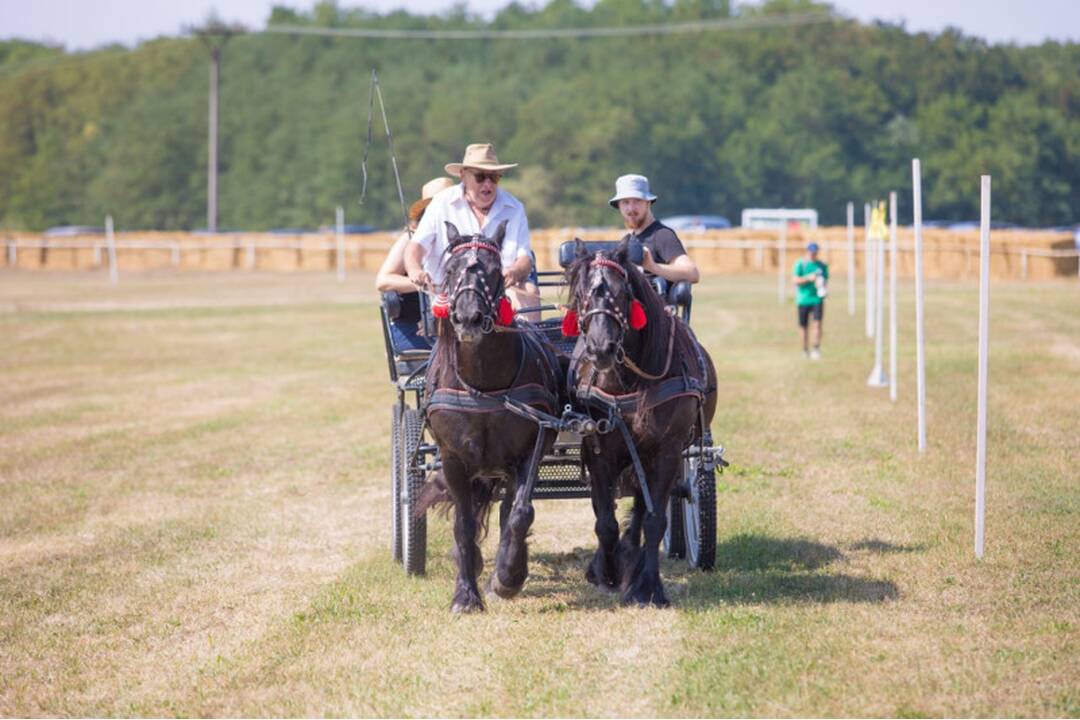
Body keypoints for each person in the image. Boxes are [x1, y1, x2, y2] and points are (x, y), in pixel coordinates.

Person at [404, 143, 540, 320]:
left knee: (529, 291)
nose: (488, 183)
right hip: (451, 293)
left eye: (494, 177)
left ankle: (531, 346)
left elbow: (524, 258)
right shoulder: (440, 203)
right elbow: (416, 247)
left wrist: (514, 271)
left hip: (500, 294)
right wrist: (415, 270)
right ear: (463, 176)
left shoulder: (515, 208)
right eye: (481, 177)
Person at [376, 176, 455, 350]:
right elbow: (383, 280)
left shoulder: (463, 235)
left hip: (455, 325)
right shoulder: (411, 237)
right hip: (414, 327)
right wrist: (424, 283)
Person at [609, 173, 700, 285]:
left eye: (637, 201)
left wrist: (653, 267)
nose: (631, 208)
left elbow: (692, 274)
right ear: (619, 206)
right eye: (625, 202)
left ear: (648, 202)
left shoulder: (661, 235)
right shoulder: (629, 241)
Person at [793, 240, 828, 359]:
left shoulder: (822, 266)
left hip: (817, 299)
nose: (813, 254)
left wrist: (823, 288)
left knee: (817, 324)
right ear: (807, 252)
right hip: (803, 300)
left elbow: (825, 281)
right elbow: (795, 280)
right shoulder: (800, 264)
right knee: (803, 327)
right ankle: (804, 349)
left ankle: (816, 348)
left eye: (815, 252)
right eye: (811, 252)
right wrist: (808, 278)